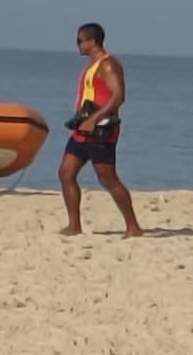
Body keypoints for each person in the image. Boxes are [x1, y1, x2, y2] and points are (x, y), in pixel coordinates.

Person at [59, 22, 142, 238]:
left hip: (100, 131)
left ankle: (133, 226)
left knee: (107, 178)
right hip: (82, 130)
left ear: (91, 41)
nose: (76, 44)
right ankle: (74, 225)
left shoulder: (108, 65)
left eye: (79, 40)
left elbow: (118, 96)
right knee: (66, 173)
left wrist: (94, 119)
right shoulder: (91, 65)